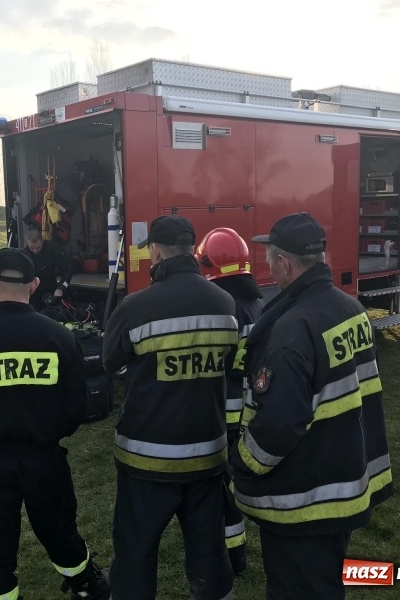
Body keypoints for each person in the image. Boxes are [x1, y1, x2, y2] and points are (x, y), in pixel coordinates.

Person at [230, 212, 393, 600]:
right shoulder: (350, 308)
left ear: (285, 263)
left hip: (306, 499)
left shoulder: (292, 329)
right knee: (326, 580)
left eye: (268, 258)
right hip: (346, 475)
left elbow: (281, 421)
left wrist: (242, 464)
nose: (266, 266)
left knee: (299, 588)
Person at [0, 248, 110, 600]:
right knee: (61, 531)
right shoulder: (59, 337)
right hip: (44, 458)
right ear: (34, 285)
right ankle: (87, 585)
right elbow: (77, 406)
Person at [102, 215, 237, 600]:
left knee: (135, 550)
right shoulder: (225, 302)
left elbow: (110, 361)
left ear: (156, 252)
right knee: (208, 549)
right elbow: (227, 365)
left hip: (147, 460)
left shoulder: (136, 306)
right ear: (191, 251)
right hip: (207, 456)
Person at [194, 227, 263, 576]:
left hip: (222, 412)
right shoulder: (256, 302)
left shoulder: (222, 307)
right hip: (252, 409)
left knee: (221, 487)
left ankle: (233, 555)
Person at [22, 228, 72, 312]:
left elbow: (67, 270)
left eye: (38, 247)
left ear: (42, 241)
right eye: (32, 248)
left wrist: (61, 288)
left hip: (51, 288)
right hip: (33, 292)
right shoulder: (24, 254)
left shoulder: (53, 249)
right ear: (27, 242)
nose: (35, 251)